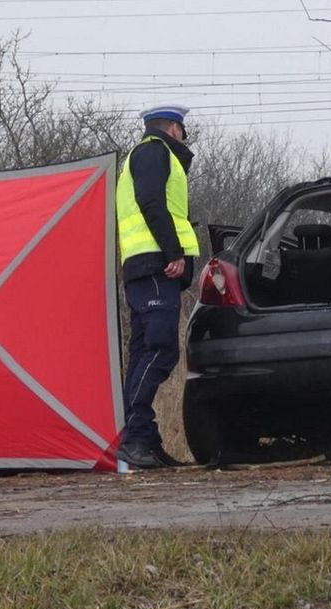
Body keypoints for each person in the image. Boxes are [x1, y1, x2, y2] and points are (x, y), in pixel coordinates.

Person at [115, 104, 199, 469]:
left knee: (144, 352)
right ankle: (136, 438)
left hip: (144, 266)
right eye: (182, 130)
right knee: (161, 350)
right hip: (155, 264)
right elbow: (152, 202)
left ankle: (142, 441)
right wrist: (173, 252)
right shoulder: (153, 152)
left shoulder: (143, 155)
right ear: (173, 129)